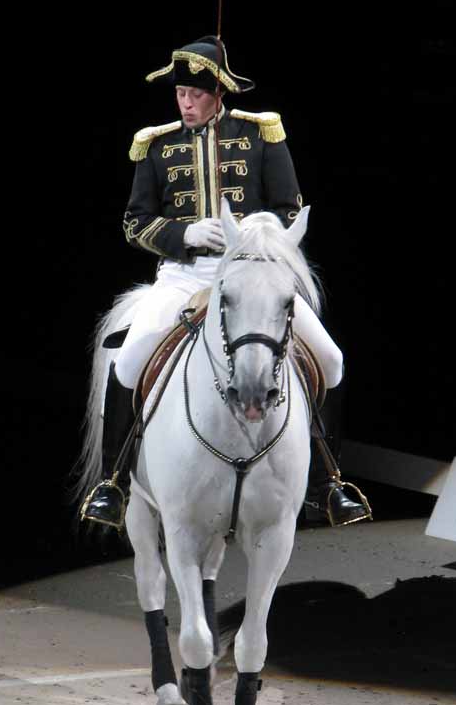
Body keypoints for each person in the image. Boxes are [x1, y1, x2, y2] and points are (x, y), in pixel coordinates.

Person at [81, 35, 370, 530]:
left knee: (332, 358)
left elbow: (289, 208)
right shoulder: (157, 144)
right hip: (183, 275)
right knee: (129, 357)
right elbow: (135, 222)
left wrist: (252, 237)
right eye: (179, 95)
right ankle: (113, 483)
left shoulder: (261, 135)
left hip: (253, 272)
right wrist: (184, 233)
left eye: (194, 95)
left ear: (219, 92)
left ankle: (328, 482)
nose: (185, 103)